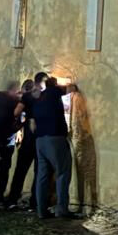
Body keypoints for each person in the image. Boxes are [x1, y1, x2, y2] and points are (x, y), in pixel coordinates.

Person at [31, 75, 77, 219]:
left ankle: (41, 211)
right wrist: (66, 85)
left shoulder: (38, 97)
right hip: (55, 138)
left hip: (40, 140)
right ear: (54, 84)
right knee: (63, 172)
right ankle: (62, 209)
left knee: (42, 176)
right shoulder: (53, 92)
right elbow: (72, 88)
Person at [2, 76, 41, 209]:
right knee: (39, 172)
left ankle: (13, 199)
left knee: (20, 171)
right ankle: (35, 202)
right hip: (41, 140)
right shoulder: (42, 98)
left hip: (28, 141)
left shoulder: (26, 98)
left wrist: (19, 124)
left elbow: (16, 112)